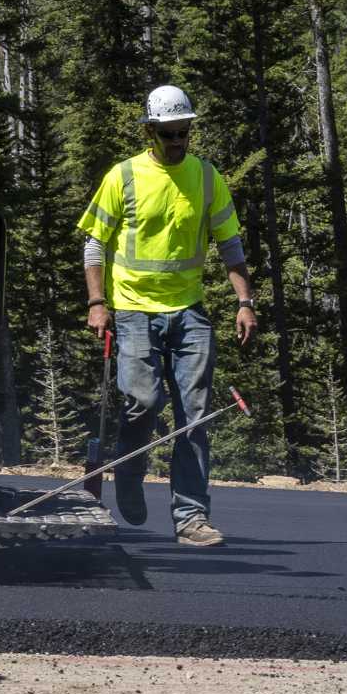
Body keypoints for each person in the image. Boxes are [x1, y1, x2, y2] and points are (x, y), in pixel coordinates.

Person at [77, 85, 256, 548]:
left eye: (185, 133)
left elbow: (230, 243)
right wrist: (98, 303)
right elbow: (94, 244)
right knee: (144, 402)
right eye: (170, 134)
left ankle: (192, 517)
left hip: (189, 312)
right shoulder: (124, 176)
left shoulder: (206, 176)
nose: (179, 141)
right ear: (151, 131)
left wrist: (244, 301)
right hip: (134, 309)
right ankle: (130, 469)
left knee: (193, 416)